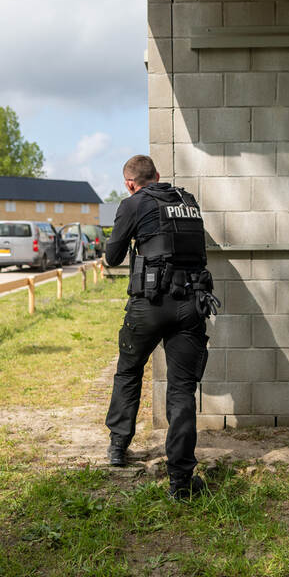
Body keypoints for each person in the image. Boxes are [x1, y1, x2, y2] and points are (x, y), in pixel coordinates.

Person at [102, 154, 218, 500]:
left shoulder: (133, 203)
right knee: (182, 389)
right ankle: (181, 481)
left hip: (150, 305)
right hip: (191, 304)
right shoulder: (188, 201)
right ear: (157, 175)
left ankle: (118, 446)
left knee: (129, 371)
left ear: (130, 183)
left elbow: (112, 256)